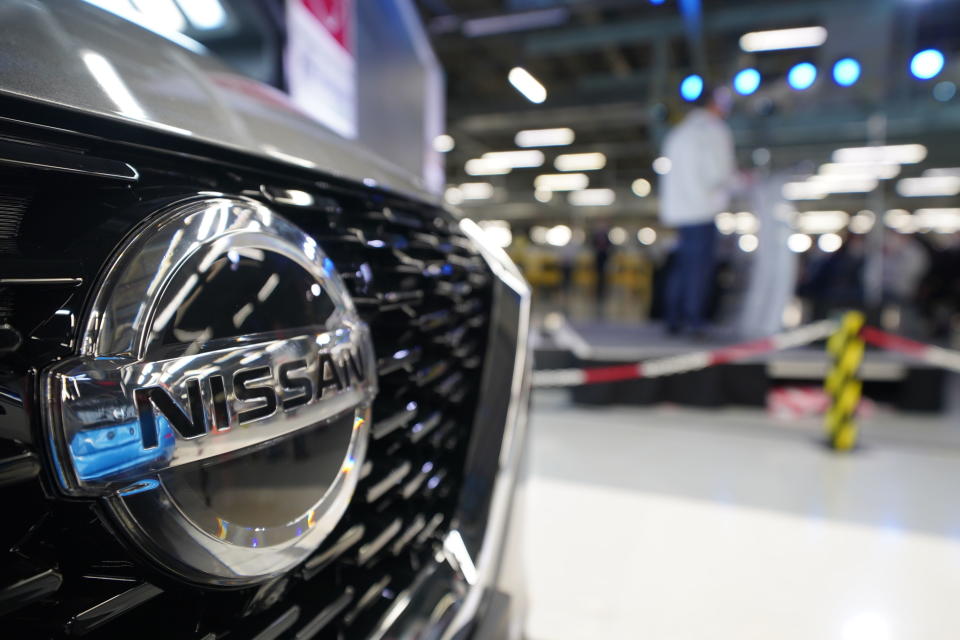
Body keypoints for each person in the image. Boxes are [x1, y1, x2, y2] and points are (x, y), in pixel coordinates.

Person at [659, 85, 736, 335]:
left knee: (683, 265)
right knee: (699, 268)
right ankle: (694, 320)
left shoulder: (678, 133)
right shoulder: (713, 131)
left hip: (680, 210)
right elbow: (720, 173)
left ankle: (673, 318)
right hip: (702, 208)